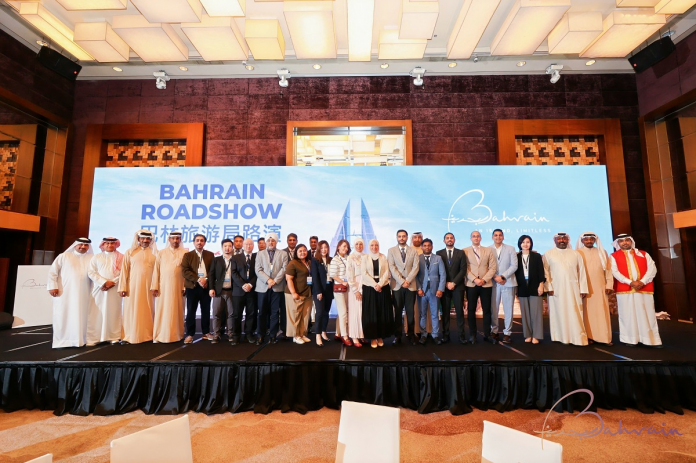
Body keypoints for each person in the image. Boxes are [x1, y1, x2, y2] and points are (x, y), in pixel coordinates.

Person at [610, 234, 662, 347]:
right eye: (621, 241)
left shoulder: (643, 254)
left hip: (644, 288)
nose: (624, 243)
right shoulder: (613, 256)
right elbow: (614, 272)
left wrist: (642, 282)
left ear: (631, 241)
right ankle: (630, 339)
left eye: (627, 240)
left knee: (647, 314)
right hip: (624, 289)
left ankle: (651, 340)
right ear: (618, 243)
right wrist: (630, 282)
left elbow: (652, 269)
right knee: (627, 315)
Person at [47, 238, 97, 348]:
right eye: (81, 244)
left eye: (86, 245)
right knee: (64, 315)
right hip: (65, 293)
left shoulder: (91, 258)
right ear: (75, 245)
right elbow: (53, 272)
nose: (83, 247)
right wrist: (52, 286)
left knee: (82, 316)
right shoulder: (64, 256)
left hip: (85, 293)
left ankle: (82, 340)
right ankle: (63, 341)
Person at [543, 232, 589, 346]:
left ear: (568, 240)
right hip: (555, 289)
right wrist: (548, 286)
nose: (562, 240)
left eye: (564, 238)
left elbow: (582, 271)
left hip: (573, 288)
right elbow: (546, 272)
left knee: (575, 312)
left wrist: (583, 288)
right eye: (559, 239)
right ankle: (560, 337)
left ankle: (577, 337)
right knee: (558, 312)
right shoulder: (548, 254)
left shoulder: (575, 254)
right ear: (555, 241)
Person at [118, 230, 158, 344]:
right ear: (138, 239)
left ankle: (147, 335)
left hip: (149, 287)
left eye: (147, 239)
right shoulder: (130, 252)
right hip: (132, 287)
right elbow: (124, 270)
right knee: (131, 310)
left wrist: (156, 286)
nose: (145, 241)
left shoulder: (155, 253)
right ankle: (129, 335)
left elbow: (157, 272)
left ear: (151, 240)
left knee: (147, 310)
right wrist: (122, 287)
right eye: (142, 238)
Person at [576, 232, 614, 346]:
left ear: (595, 240)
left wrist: (609, 285)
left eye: (591, 239)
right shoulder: (577, 253)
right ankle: (588, 336)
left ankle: (604, 337)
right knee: (586, 313)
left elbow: (608, 270)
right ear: (582, 241)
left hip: (600, 287)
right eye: (586, 239)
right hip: (584, 288)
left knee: (602, 312)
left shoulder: (602, 252)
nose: (589, 241)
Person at [151, 231, 186, 343]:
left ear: (180, 240)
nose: (175, 241)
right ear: (169, 239)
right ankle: (160, 335)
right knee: (163, 310)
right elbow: (156, 270)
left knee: (177, 310)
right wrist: (154, 286)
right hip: (163, 287)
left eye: (177, 238)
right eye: (173, 238)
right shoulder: (161, 253)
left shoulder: (185, 253)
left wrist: (184, 287)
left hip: (179, 287)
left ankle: (177, 335)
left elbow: (186, 272)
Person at [87, 237, 123, 345]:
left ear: (116, 245)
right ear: (103, 245)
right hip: (99, 288)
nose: (110, 245)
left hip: (115, 288)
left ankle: (113, 336)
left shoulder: (122, 257)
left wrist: (112, 282)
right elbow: (91, 272)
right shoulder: (96, 257)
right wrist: (103, 282)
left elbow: (124, 273)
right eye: (107, 243)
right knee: (96, 312)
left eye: (112, 243)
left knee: (113, 312)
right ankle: (95, 338)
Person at [463, 230, 497, 344]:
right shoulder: (465, 251)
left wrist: (484, 279)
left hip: (486, 284)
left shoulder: (488, 250)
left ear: (480, 238)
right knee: (471, 310)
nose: (476, 238)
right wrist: (474, 279)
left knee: (487, 310)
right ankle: (472, 335)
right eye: (474, 236)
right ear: (471, 238)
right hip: (471, 284)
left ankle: (487, 334)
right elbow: (464, 268)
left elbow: (493, 267)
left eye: (478, 236)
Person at [255, 232, 288, 344]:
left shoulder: (283, 253)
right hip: (262, 287)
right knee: (261, 312)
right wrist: (268, 280)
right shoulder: (260, 254)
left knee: (275, 312)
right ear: (266, 242)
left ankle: (273, 335)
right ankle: (260, 335)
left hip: (277, 287)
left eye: (273, 240)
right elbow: (258, 269)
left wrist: (274, 281)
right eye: (268, 241)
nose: (270, 242)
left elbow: (284, 269)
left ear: (276, 242)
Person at [181, 233, 214, 344]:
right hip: (192, 287)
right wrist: (199, 279)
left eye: (202, 240)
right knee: (191, 311)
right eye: (197, 240)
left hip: (206, 287)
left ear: (204, 242)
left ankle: (206, 332)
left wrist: (206, 280)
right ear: (194, 242)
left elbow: (213, 270)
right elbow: (185, 271)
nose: (199, 242)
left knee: (206, 310)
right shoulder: (188, 255)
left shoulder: (210, 255)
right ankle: (190, 334)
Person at [388, 229, 419, 345]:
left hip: (410, 285)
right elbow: (392, 267)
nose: (401, 238)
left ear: (407, 237)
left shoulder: (413, 251)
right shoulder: (391, 251)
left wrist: (408, 280)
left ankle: (411, 335)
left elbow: (416, 267)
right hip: (397, 285)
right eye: (399, 236)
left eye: (404, 236)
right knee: (398, 312)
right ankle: (397, 336)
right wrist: (402, 281)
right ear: (397, 237)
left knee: (410, 312)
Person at [361, 239, 393, 348]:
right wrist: (375, 284)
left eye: (376, 245)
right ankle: (373, 338)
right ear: (369, 246)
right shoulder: (365, 258)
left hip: (383, 287)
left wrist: (380, 284)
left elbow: (386, 272)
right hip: (369, 287)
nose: (374, 247)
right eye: (372, 245)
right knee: (371, 313)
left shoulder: (383, 257)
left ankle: (380, 336)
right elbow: (364, 273)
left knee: (381, 312)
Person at [514, 235, 545, 344]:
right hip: (522, 286)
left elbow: (541, 271)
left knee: (536, 313)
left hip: (535, 286)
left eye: (527, 242)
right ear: (520, 244)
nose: (525, 244)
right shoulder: (516, 257)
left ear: (531, 243)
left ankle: (536, 335)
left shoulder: (536, 256)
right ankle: (528, 335)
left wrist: (541, 285)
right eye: (523, 242)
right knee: (525, 313)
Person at [436, 232, 467, 344]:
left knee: (459, 312)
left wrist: (453, 283)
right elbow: (438, 271)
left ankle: (461, 336)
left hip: (457, 286)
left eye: (451, 238)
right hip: (444, 287)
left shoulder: (461, 253)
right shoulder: (439, 253)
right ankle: (445, 335)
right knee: (445, 312)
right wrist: (445, 283)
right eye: (447, 238)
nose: (449, 239)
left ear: (454, 240)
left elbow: (463, 270)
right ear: (444, 240)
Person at [489, 229, 518, 344]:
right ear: (492, 237)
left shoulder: (511, 249)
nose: (498, 237)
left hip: (508, 282)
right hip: (493, 282)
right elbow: (486, 266)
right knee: (493, 309)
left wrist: (503, 276)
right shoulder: (488, 249)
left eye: (500, 235)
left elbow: (514, 265)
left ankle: (507, 333)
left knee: (508, 309)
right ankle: (494, 331)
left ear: (503, 237)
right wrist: (495, 277)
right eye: (495, 235)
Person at [416, 239, 446, 345]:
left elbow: (443, 274)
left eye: (429, 245)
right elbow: (415, 275)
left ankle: (435, 335)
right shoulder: (418, 258)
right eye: (425, 245)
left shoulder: (438, 258)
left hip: (435, 290)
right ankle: (423, 334)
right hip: (422, 291)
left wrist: (440, 289)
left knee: (435, 314)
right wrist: (419, 288)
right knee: (422, 314)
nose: (427, 247)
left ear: (432, 246)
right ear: (421, 247)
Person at [207, 238, 235, 344]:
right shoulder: (216, 259)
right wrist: (211, 288)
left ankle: (230, 333)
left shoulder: (235, 259)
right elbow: (211, 275)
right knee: (216, 313)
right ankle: (216, 334)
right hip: (219, 291)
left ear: (232, 247)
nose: (227, 248)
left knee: (231, 314)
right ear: (222, 247)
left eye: (229, 246)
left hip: (232, 291)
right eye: (225, 246)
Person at [285, 244, 313, 345]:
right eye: (300, 251)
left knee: (305, 316)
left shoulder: (309, 262)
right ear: (296, 252)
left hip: (307, 293)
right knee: (295, 315)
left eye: (304, 250)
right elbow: (289, 279)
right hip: (295, 293)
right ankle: (295, 336)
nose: (302, 252)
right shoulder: (293, 263)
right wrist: (294, 293)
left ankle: (301, 334)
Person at [232, 238, 258, 344]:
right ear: (243, 245)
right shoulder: (235, 257)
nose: (248, 246)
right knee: (237, 314)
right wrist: (243, 284)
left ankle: (249, 334)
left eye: (250, 244)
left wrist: (250, 284)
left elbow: (258, 273)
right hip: (239, 290)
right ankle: (236, 335)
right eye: (246, 244)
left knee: (251, 313)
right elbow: (233, 273)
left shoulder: (257, 257)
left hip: (252, 290)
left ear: (253, 246)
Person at [311, 240, 336, 344]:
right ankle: (317, 335)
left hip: (329, 288)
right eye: (322, 248)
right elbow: (315, 277)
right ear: (318, 249)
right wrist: (318, 291)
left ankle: (323, 332)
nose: (324, 250)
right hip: (319, 289)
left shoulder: (331, 259)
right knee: (320, 312)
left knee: (326, 312)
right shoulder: (315, 260)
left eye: (326, 247)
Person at [330, 239, 352, 346]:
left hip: (348, 288)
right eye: (343, 246)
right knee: (343, 312)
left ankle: (337, 333)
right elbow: (333, 275)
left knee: (343, 312)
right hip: (339, 288)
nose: (345, 248)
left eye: (347, 247)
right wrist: (342, 282)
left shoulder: (349, 258)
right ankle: (344, 335)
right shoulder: (335, 259)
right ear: (338, 247)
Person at [346, 237, 365, 347]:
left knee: (362, 312)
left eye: (361, 244)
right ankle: (354, 336)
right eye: (357, 244)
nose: (359, 246)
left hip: (365, 285)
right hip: (355, 287)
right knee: (354, 312)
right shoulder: (351, 257)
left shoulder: (366, 256)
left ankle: (361, 335)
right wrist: (355, 290)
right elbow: (349, 276)